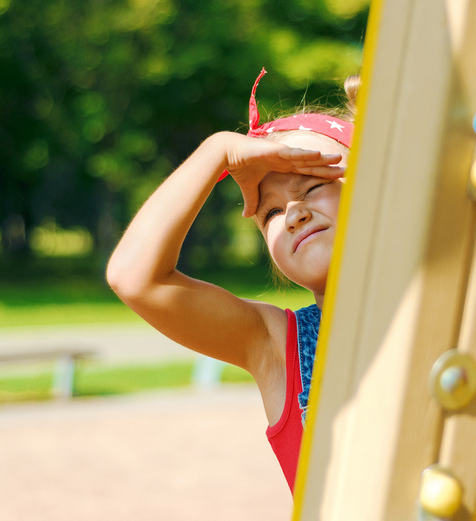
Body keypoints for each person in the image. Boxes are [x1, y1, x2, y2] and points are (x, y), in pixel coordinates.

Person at [106, 68, 356, 493]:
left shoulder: (453, 285)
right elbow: (134, 278)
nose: (292, 214)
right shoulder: (279, 347)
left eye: (313, 186)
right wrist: (218, 150)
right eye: (271, 214)